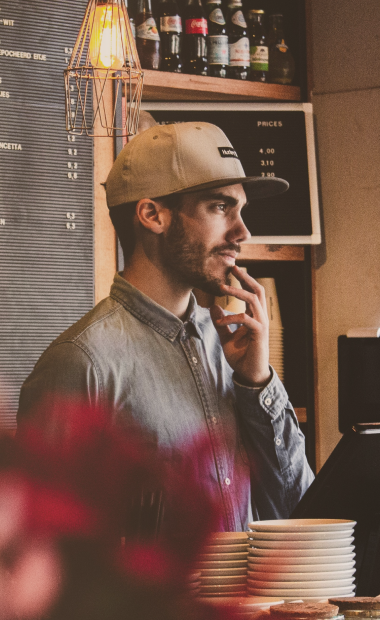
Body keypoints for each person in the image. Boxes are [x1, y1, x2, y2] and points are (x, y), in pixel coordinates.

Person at [18, 121, 314, 529]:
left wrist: (257, 382)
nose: (243, 231)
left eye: (241, 210)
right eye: (220, 207)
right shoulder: (81, 363)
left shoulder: (236, 350)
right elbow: (48, 553)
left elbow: (299, 514)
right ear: (152, 214)